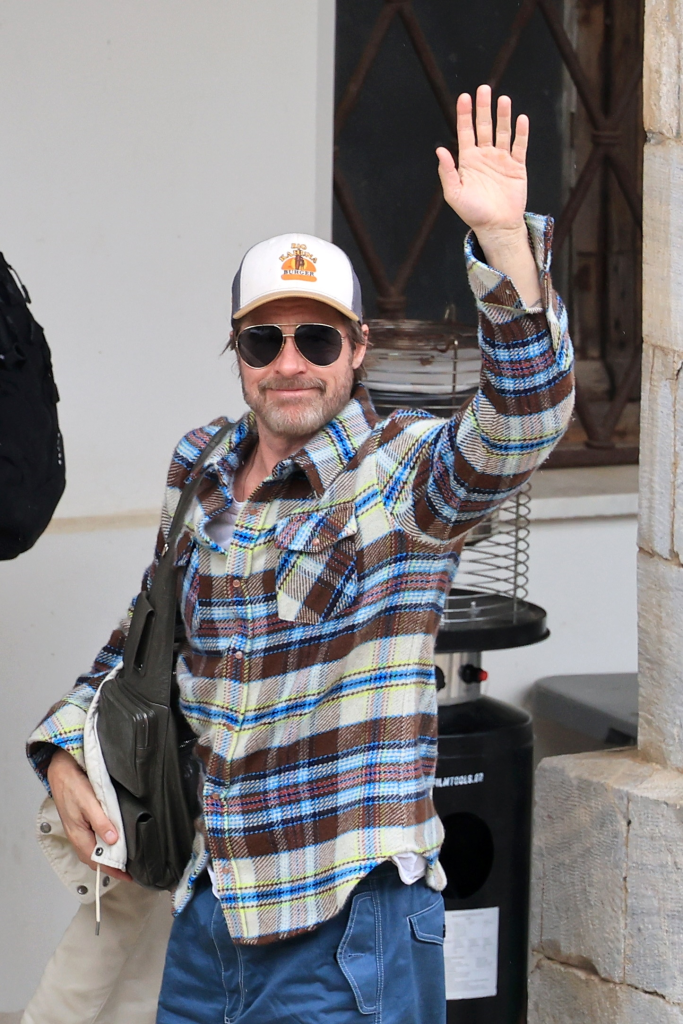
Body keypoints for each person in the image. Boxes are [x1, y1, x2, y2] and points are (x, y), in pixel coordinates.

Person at [27, 86, 574, 1024]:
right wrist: (63, 752)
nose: (290, 361)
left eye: (316, 337)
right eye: (264, 338)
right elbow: (144, 644)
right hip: (209, 914)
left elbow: (523, 421)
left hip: (347, 926)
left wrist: (502, 245)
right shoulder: (200, 465)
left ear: (357, 349)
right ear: (237, 352)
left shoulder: (401, 473)